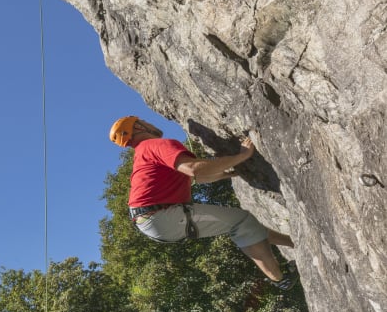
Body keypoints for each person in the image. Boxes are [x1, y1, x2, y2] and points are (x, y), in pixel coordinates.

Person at [109, 116, 298, 289]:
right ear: (139, 127)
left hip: (154, 219)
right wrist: (241, 156)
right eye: (144, 121)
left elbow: (199, 178)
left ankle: (294, 245)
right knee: (242, 222)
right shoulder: (155, 145)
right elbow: (194, 170)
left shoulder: (144, 153)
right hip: (161, 216)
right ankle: (281, 279)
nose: (150, 123)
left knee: (245, 225)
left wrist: (229, 172)